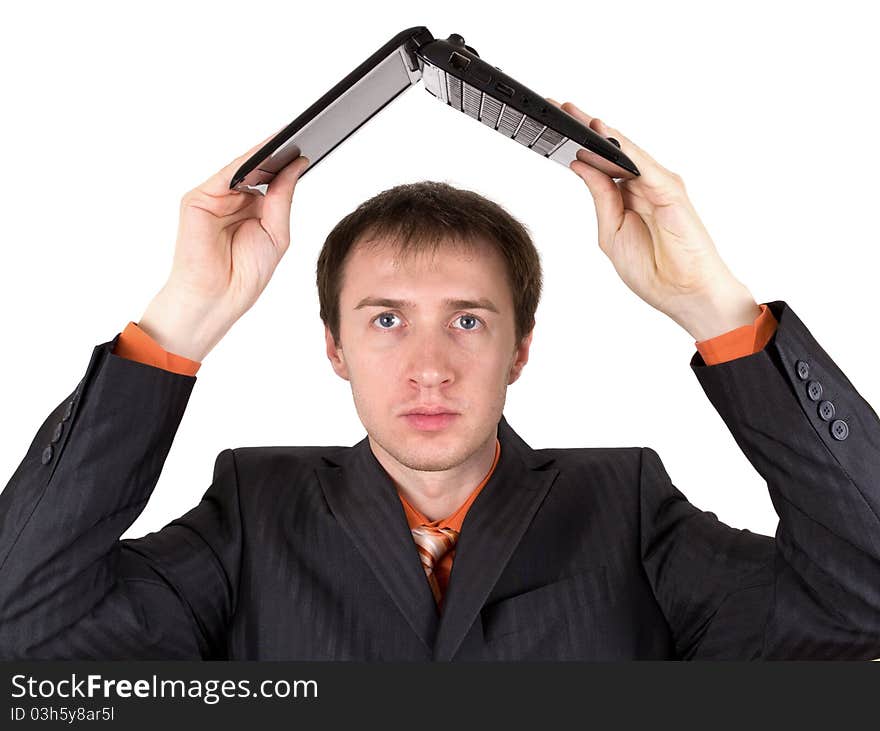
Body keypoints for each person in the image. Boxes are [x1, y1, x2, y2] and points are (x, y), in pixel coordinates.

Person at [1, 99, 878, 661]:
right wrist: (179, 321)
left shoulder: (626, 502)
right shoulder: (253, 508)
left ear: (519, 350)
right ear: (334, 349)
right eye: (386, 319)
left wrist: (716, 308)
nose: (429, 366)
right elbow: (24, 625)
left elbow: (860, 605)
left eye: (468, 320)